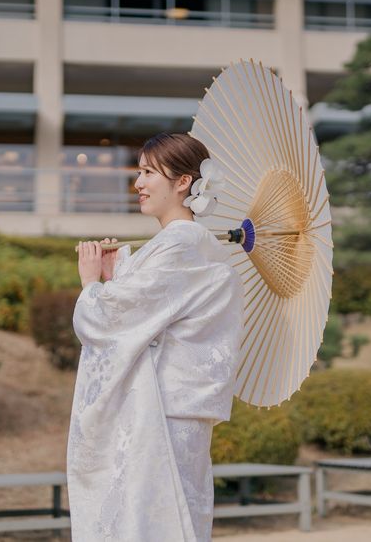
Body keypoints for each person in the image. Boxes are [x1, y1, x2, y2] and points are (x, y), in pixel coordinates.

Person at [68, 132, 244, 541]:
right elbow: (147, 314)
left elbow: (107, 319)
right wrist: (114, 278)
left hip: (160, 410)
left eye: (148, 172)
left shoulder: (181, 244)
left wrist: (92, 284)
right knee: (167, 519)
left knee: (151, 521)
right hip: (174, 407)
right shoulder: (187, 245)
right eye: (139, 172)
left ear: (183, 182)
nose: (138, 183)